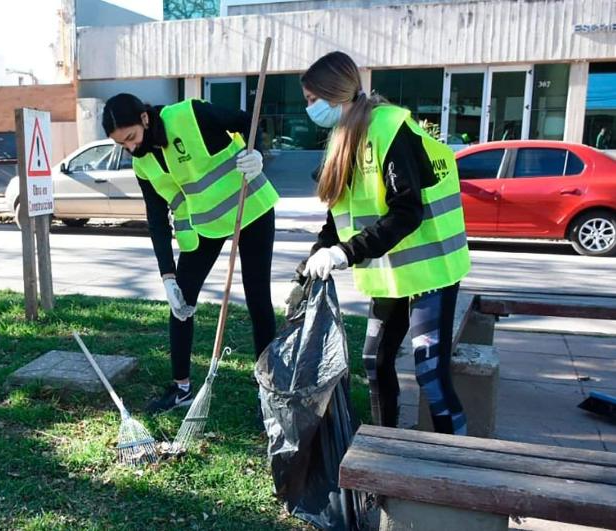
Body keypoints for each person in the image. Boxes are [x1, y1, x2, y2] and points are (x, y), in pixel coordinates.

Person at [296, 51, 472, 435]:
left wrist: (346, 252)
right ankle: (385, 449)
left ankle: (458, 466)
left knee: (430, 373)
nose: (309, 109)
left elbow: (407, 210)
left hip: (432, 270)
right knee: (375, 362)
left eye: (312, 100)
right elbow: (335, 218)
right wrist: (316, 256)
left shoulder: (390, 129)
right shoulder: (342, 139)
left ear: (333, 94)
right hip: (391, 275)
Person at [102, 93, 279, 413]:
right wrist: (167, 277)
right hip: (205, 225)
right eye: (122, 144)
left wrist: (258, 154)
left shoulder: (190, 114)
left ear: (144, 118)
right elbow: (156, 221)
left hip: (249, 205)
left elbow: (248, 122)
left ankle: (268, 390)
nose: (130, 147)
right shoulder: (142, 163)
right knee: (181, 303)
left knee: (257, 299)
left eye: (130, 138)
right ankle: (181, 388)